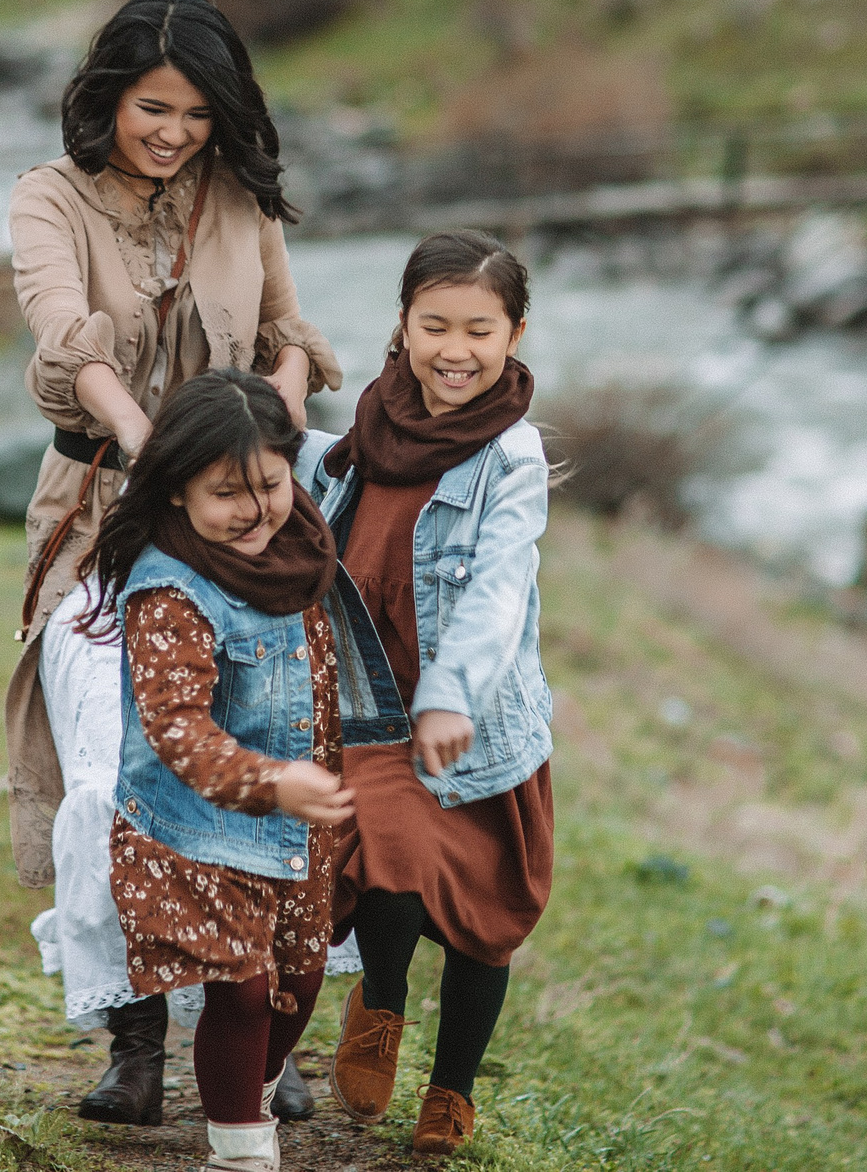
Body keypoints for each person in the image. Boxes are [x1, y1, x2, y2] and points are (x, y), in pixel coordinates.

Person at [4, 0, 343, 1124]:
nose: (175, 132)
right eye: (154, 107)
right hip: (105, 512)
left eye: (199, 113)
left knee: (256, 750)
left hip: (247, 519)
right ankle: (133, 1037)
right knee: (115, 771)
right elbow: (67, 338)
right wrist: (158, 456)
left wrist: (265, 453)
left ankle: (257, 1022)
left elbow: (290, 337)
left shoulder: (242, 199)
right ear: (105, 97)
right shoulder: (46, 199)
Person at [311, 231, 554, 1159]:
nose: (457, 349)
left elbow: (498, 586)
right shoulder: (363, 432)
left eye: (480, 330)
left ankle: (451, 1092)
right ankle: (382, 1003)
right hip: (373, 704)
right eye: (435, 325)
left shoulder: (514, 456)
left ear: (515, 334)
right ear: (404, 327)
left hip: (476, 717)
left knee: (484, 920)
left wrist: (453, 695)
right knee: (393, 857)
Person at [83, 369, 355, 1172]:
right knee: (238, 988)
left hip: (296, 822)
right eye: (226, 491)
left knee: (297, 983)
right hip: (192, 826)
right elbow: (176, 727)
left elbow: (320, 685)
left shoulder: (295, 550)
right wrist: (273, 782)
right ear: (175, 491)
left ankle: (250, 1088)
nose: (255, 508)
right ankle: (240, 1152)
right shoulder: (169, 587)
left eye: (269, 483)